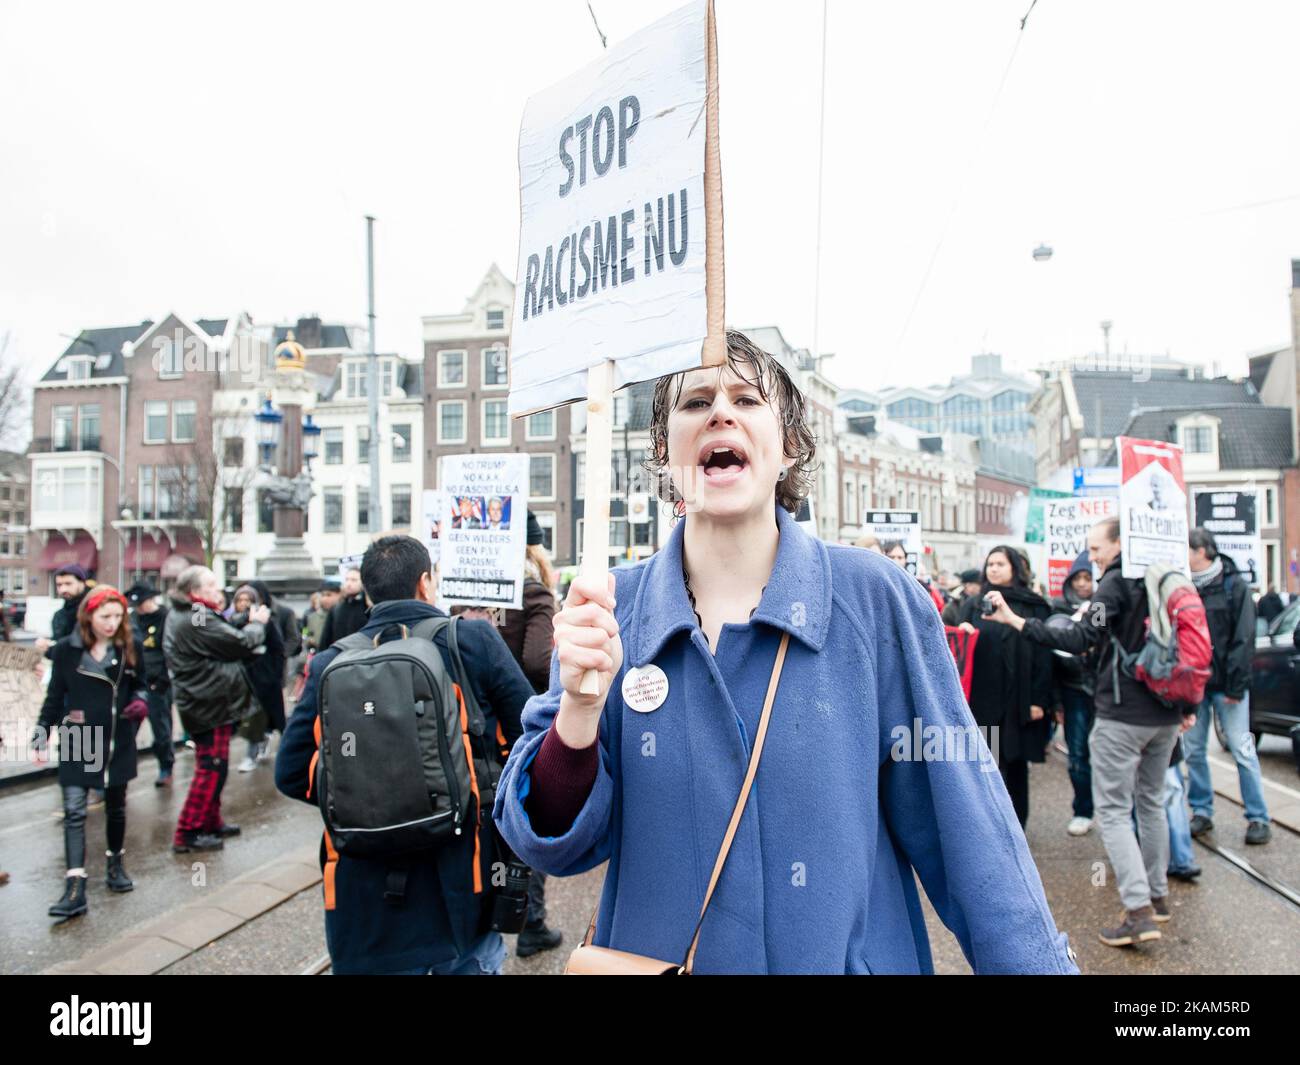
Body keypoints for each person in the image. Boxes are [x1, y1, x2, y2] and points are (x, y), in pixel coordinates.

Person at [493, 330, 1078, 974]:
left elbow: (968, 828)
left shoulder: (874, 601)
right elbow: (548, 840)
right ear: (664, 453)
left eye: (747, 398)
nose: (720, 412)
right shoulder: (607, 610)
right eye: (694, 403)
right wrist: (577, 711)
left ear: (790, 445)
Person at [275, 535, 534, 975]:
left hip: (364, 912)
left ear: (369, 593)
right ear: (425, 583)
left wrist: (363, 793)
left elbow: (290, 771)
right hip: (462, 887)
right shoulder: (470, 643)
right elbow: (531, 737)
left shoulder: (331, 663)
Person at [984, 516, 1194, 947]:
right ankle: (1157, 897)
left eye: (1097, 549)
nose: (1092, 557)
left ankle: (1138, 912)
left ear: (1119, 545)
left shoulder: (1114, 586)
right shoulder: (1167, 579)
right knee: (1151, 803)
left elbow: (1081, 636)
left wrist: (1018, 622)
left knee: (1114, 811)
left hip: (1123, 713)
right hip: (1166, 714)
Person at [458, 511, 563, 958]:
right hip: (514, 728)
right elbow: (540, 663)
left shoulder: (465, 597)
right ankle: (530, 923)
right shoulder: (533, 594)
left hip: (465, 728)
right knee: (524, 822)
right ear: (535, 550)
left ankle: (476, 915)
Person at [34, 586, 149, 919]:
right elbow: (55, 696)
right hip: (79, 737)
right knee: (74, 811)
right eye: (105, 617)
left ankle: (115, 863)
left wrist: (140, 700)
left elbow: (144, 682)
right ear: (89, 616)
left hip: (116, 736)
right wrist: (41, 734)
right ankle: (75, 887)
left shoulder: (130, 646)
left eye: (118, 616)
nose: (112, 623)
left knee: (115, 807)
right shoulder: (68, 651)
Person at [164, 565, 270, 852]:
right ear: (195, 592)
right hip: (207, 703)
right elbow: (239, 643)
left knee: (217, 766)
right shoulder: (195, 616)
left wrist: (238, 620)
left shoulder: (191, 612)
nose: (217, 588)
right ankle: (188, 831)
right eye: (211, 584)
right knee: (210, 768)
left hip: (207, 700)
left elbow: (218, 633)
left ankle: (210, 821)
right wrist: (257, 624)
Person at [955, 547, 1053, 829]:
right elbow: (956, 650)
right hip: (984, 696)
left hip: (1019, 696)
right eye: (990, 564)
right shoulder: (973, 604)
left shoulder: (1034, 605)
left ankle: (1017, 825)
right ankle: (988, 826)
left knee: (1017, 765)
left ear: (1015, 568)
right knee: (985, 762)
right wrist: (964, 633)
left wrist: (1039, 699)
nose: (994, 569)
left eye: (1000, 564)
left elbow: (1043, 655)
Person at [1184, 528, 1270, 845]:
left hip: (1227, 686)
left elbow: (1244, 638)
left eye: (1188, 551)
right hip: (1195, 685)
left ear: (1203, 552)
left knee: (1242, 749)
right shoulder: (1185, 586)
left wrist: (1235, 686)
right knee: (1193, 751)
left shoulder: (1235, 586)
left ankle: (1258, 818)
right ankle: (1202, 812)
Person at [1049, 552, 1097, 836]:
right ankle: (1083, 808)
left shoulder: (1105, 607)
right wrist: (1055, 700)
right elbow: (1051, 660)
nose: (1082, 584)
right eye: (1077, 578)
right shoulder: (1060, 608)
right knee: (1077, 753)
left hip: (1101, 692)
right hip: (1073, 690)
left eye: (1088, 578)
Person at [226, 584, 286, 773]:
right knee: (250, 719)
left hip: (263, 679)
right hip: (241, 679)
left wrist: (272, 674)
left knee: (269, 718)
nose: (243, 604)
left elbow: (278, 648)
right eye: (240, 600)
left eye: (248, 600)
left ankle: (259, 753)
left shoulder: (265, 621)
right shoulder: (228, 623)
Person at [126, 583, 175, 788]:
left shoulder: (166, 617)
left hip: (159, 682)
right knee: (128, 730)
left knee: (161, 729)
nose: (138, 608)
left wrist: (165, 679)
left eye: (141, 603)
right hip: (137, 682)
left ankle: (166, 766)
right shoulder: (132, 619)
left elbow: (171, 650)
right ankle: (123, 772)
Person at [35, 565, 91, 654]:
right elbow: (58, 648)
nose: (63, 589)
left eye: (68, 584)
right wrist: (47, 647)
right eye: (59, 585)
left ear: (82, 583)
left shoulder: (93, 610)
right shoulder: (59, 615)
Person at [319, 568, 368, 651]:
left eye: (354, 580)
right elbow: (326, 640)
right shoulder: (336, 609)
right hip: (339, 657)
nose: (349, 583)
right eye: (347, 579)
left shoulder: (368, 608)